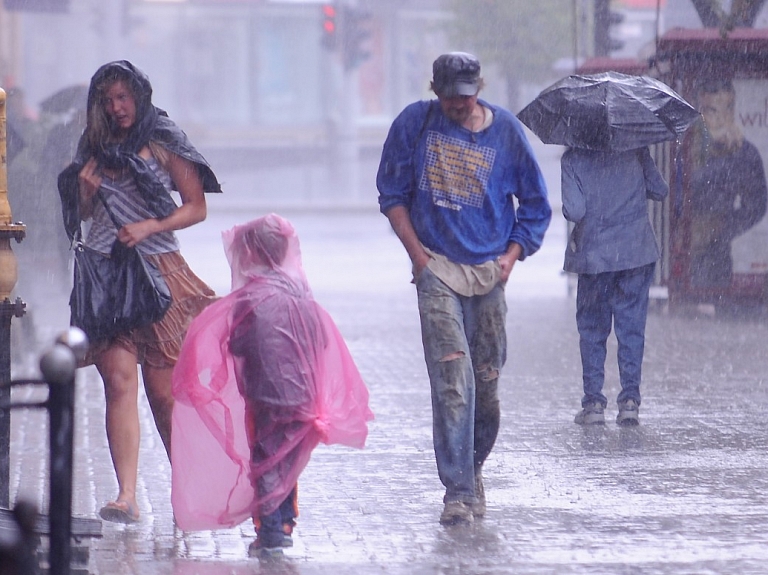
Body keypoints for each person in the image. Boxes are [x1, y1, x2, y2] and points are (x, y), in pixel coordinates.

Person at [376, 52, 551, 525]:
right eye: (450, 97)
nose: (459, 104)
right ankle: (457, 490)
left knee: (486, 384)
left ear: (480, 88)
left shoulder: (507, 133)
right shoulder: (415, 124)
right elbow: (392, 196)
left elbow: (535, 205)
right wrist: (419, 259)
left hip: (489, 274)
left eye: (466, 96)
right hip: (437, 271)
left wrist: (511, 258)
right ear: (436, 91)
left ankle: (473, 468)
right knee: (453, 381)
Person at [57, 60, 221, 523]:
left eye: (123, 97)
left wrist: (153, 224)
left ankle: (185, 490)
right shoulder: (93, 144)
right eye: (107, 100)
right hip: (107, 275)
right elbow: (82, 216)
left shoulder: (163, 137)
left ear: (139, 95)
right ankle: (125, 495)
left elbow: (196, 207)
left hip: (157, 274)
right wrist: (86, 194)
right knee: (118, 383)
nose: (116, 108)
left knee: (164, 394)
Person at [170, 214, 373, 555]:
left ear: (250, 255)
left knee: (265, 458)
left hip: (266, 395)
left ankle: (272, 534)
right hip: (304, 394)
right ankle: (284, 521)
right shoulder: (301, 295)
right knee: (288, 457)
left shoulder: (250, 299)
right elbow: (320, 340)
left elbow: (239, 345)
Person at [562, 147, 668, 426]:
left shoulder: (574, 158)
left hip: (595, 257)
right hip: (636, 253)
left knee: (593, 330)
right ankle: (630, 401)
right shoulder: (635, 150)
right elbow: (660, 190)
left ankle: (594, 404)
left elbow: (574, 210)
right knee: (631, 328)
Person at [689, 78, 767, 290]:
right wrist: (686, 224)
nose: (720, 118)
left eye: (726, 109)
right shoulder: (686, 147)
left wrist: (721, 228)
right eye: (710, 110)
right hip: (684, 251)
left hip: (717, 255)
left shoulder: (744, 154)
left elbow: (757, 204)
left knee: (715, 297)